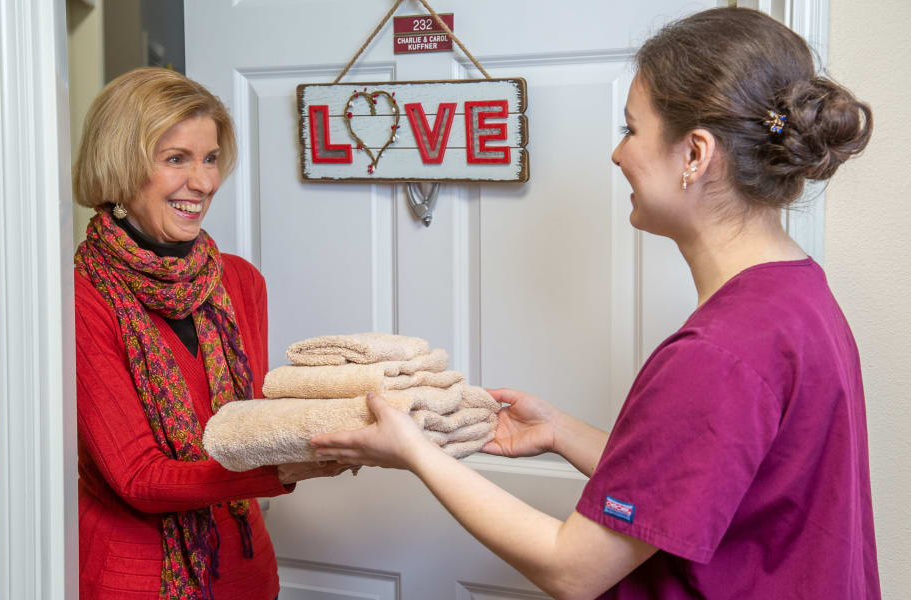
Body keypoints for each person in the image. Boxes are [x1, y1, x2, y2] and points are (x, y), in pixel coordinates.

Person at [311, 8, 879, 599]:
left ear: (695, 155)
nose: (618, 155)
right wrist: (561, 432)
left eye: (631, 129)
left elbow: (572, 568)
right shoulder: (798, 294)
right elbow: (709, 479)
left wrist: (416, 453)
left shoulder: (719, 353)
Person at [73, 67, 346, 599]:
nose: (203, 183)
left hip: (245, 568)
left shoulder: (240, 281)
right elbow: (139, 478)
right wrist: (285, 468)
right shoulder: (82, 298)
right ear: (120, 165)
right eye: (176, 159)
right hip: (136, 580)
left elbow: (250, 425)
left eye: (211, 158)